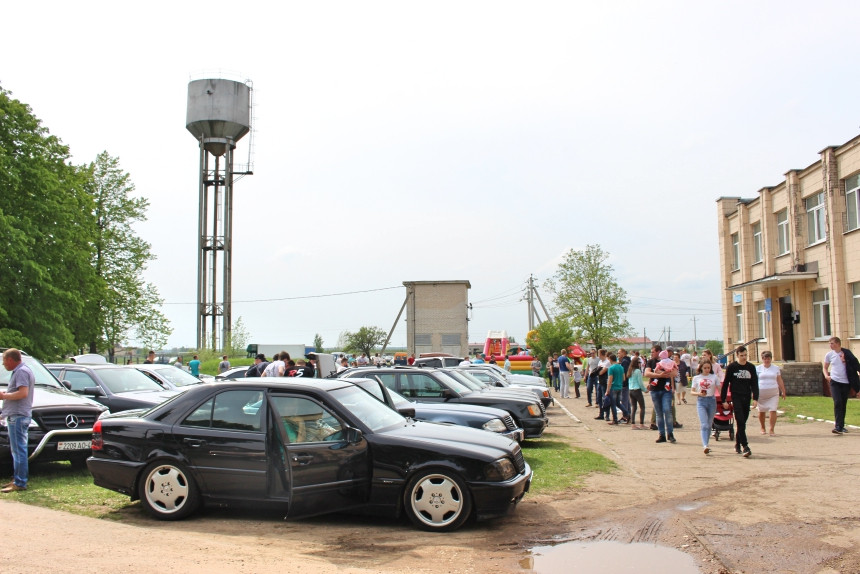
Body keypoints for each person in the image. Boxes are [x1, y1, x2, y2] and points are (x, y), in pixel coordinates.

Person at [1, 349, 35, 492]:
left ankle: (20, 482)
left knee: (19, 450)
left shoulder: (21, 371)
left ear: (11, 359)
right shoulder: (23, 370)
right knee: (17, 450)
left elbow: (23, 393)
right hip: (17, 415)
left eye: (4, 360)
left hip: (18, 416)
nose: (3, 364)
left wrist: (4, 396)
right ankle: (17, 479)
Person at [720, 346, 758, 457]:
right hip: (736, 397)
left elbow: (754, 383)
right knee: (740, 420)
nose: (744, 357)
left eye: (745, 355)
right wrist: (723, 400)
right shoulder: (732, 367)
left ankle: (737, 443)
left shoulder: (751, 367)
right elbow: (726, 383)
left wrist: (756, 397)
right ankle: (745, 446)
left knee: (742, 423)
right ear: (737, 355)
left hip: (747, 397)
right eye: (741, 355)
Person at [823, 336, 860, 435]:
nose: (830, 345)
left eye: (832, 343)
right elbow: (825, 367)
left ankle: (841, 426)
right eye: (830, 344)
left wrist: (844, 361)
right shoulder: (829, 355)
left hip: (846, 382)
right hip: (835, 381)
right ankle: (838, 427)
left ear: (838, 344)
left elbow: (855, 365)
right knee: (838, 402)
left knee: (843, 404)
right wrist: (826, 376)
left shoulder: (847, 353)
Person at [644, 344, 677, 443]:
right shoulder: (651, 362)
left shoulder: (669, 361)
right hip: (655, 390)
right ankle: (661, 434)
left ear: (659, 352)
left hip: (666, 390)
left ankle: (670, 433)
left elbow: (674, 373)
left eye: (653, 352)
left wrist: (663, 375)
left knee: (667, 410)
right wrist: (660, 375)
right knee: (658, 413)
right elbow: (646, 373)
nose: (651, 354)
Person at [691, 360, 720, 455]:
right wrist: (699, 393)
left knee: (709, 423)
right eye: (705, 368)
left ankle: (706, 443)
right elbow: (692, 391)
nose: (707, 370)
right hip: (701, 401)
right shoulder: (696, 378)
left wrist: (723, 400)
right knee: (704, 424)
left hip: (712, 400)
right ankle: (705, 445)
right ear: (701, 368)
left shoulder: (714, 377)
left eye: (709, 368)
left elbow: (719, 389)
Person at [756, 351, 786, 436]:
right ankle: (762, 427)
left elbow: (779, 380)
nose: (767, 360)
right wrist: (753, 392)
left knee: (773, 410)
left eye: (768, 358)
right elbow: (754, 381)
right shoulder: (758, 368)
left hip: (773, 393)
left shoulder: (776, 368)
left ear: (771, 359)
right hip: (761, 393)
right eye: (765, 359)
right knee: (761, 411)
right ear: (762, 359)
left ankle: (772, 429)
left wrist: (783, 390)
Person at [604, 353, 630, 425]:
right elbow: (624, 378)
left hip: (613, 387)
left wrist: (607, 390)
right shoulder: (621, 367)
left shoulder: (611, 368)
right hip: (620, 386)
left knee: (613, 404)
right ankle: (626, 413)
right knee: (618, 403)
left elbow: (610, 380)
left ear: (610, 359)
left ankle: (615, 419)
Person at [627, 358, 647, 429]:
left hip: (631, 390)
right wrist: (645, 390)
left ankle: (633, 424)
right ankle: (641, 424)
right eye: (639, 362)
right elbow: (640, 382)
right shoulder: (638, 371)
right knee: (642, 407)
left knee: (634, 407)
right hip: (637, 390)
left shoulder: (630, 370)